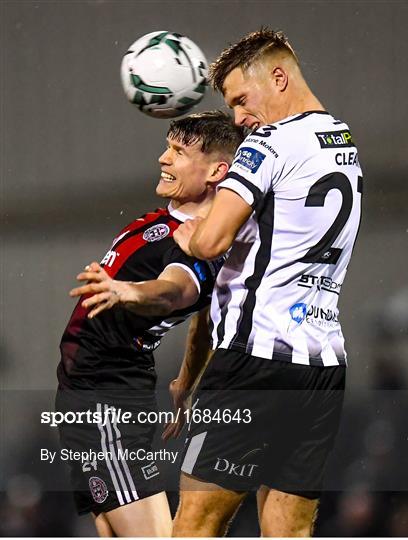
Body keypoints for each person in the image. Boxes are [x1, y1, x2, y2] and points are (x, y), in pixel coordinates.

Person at [172, 29, 363, 537]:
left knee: (195, 526)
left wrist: (188, 232)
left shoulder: (269, 143)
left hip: (253, 366)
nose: (238, 118)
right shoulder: (341, 139)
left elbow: (212, 241)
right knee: (290, 532)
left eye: (240, 99)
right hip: (321, 367)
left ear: (278, 77)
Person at [55, 111, 244, 537]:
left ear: (218, 170)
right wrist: (186, 380)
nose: (163, 158)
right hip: (89, 395)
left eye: (178, 152)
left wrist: (131, 291)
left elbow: (176, 290)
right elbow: (206, 320)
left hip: (108, 401)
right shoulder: (173, 221)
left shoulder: (198, 242)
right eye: (167, 146)